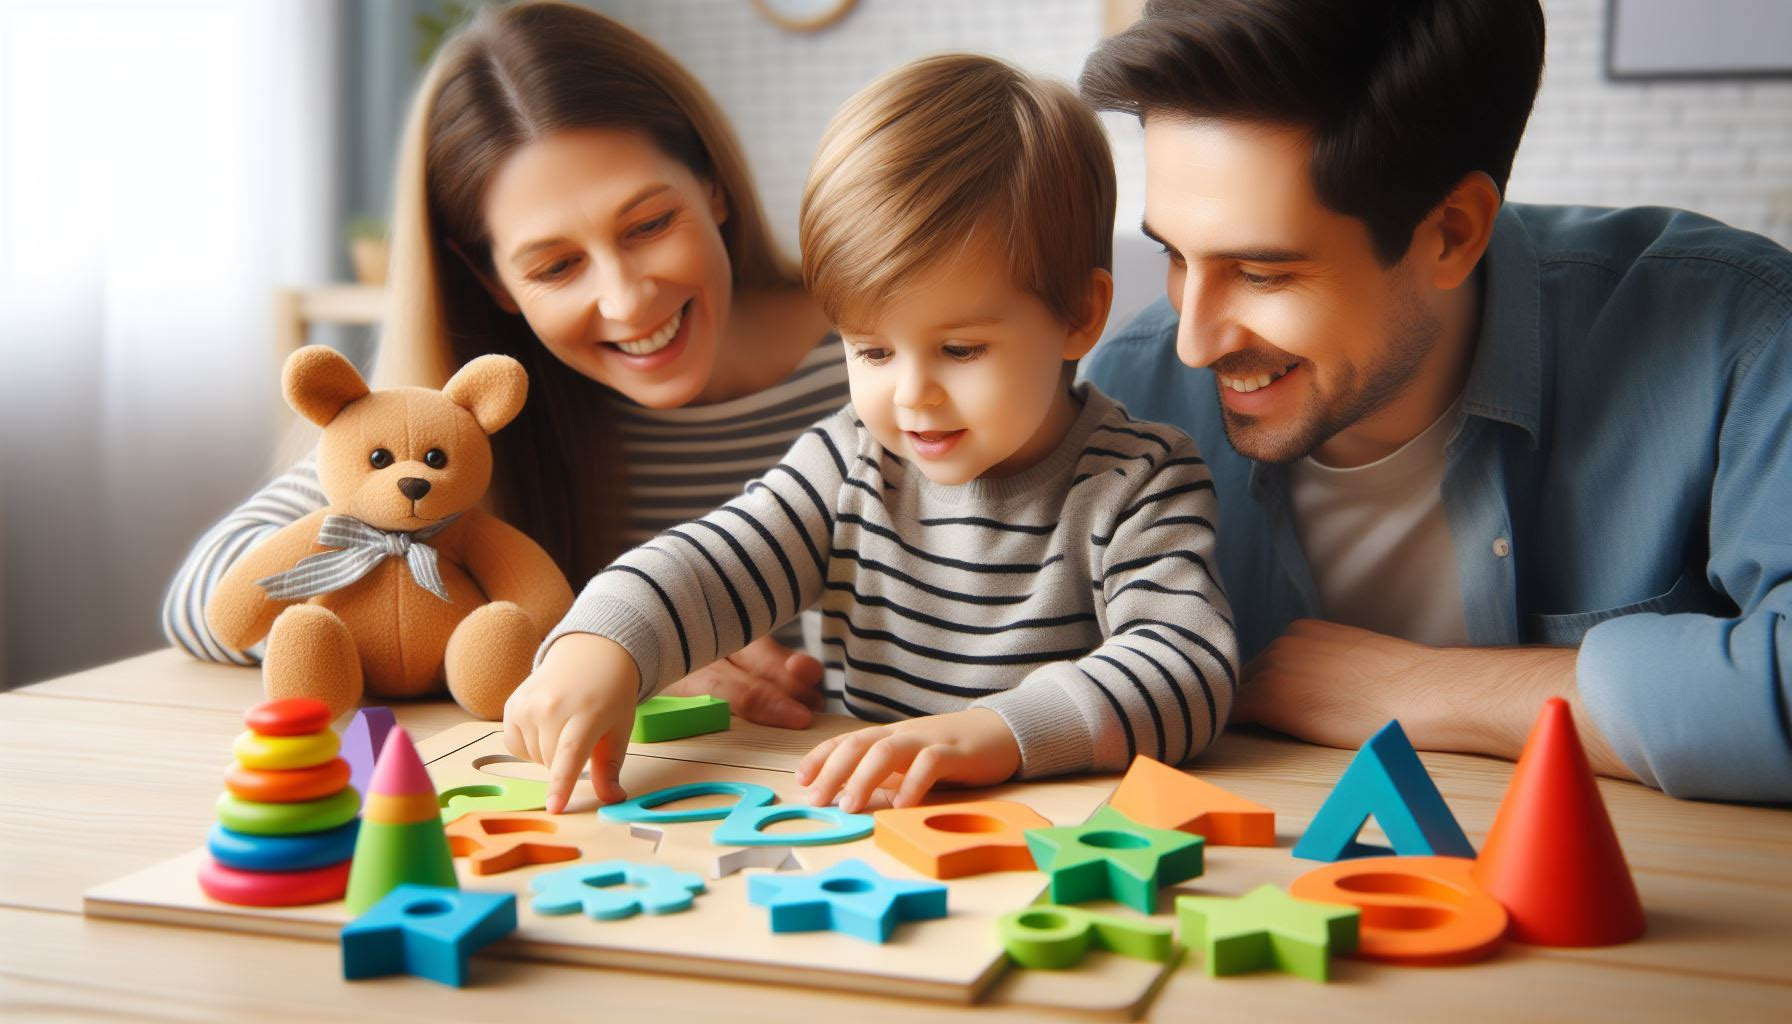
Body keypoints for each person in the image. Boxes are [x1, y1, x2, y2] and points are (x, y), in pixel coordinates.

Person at [1079, 0, 1792, 802]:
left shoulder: (1742, 337)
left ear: (1452, 232)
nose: (1194, 343)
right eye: (1174, 254)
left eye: (1263, 272)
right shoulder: (1127, 399)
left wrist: (1422, 688)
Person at [505, 53, 1238, 815]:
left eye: (960, 350)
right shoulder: (848, 461)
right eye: (873, 350)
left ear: (1079, 317)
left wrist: (995, 733)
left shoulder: (1141, 483)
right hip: (868, 834)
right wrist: (602, 645)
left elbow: (1185, 667)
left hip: (1057, 844)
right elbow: (709, 561)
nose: (911, 395)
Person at [161, 0, 845, 725]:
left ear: (712, 186)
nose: (625, 300)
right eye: (555, 266)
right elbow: (206, 595)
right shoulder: (465, 419)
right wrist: (603, 644)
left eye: (649, 224)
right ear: (491, 281)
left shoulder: (889, 361)